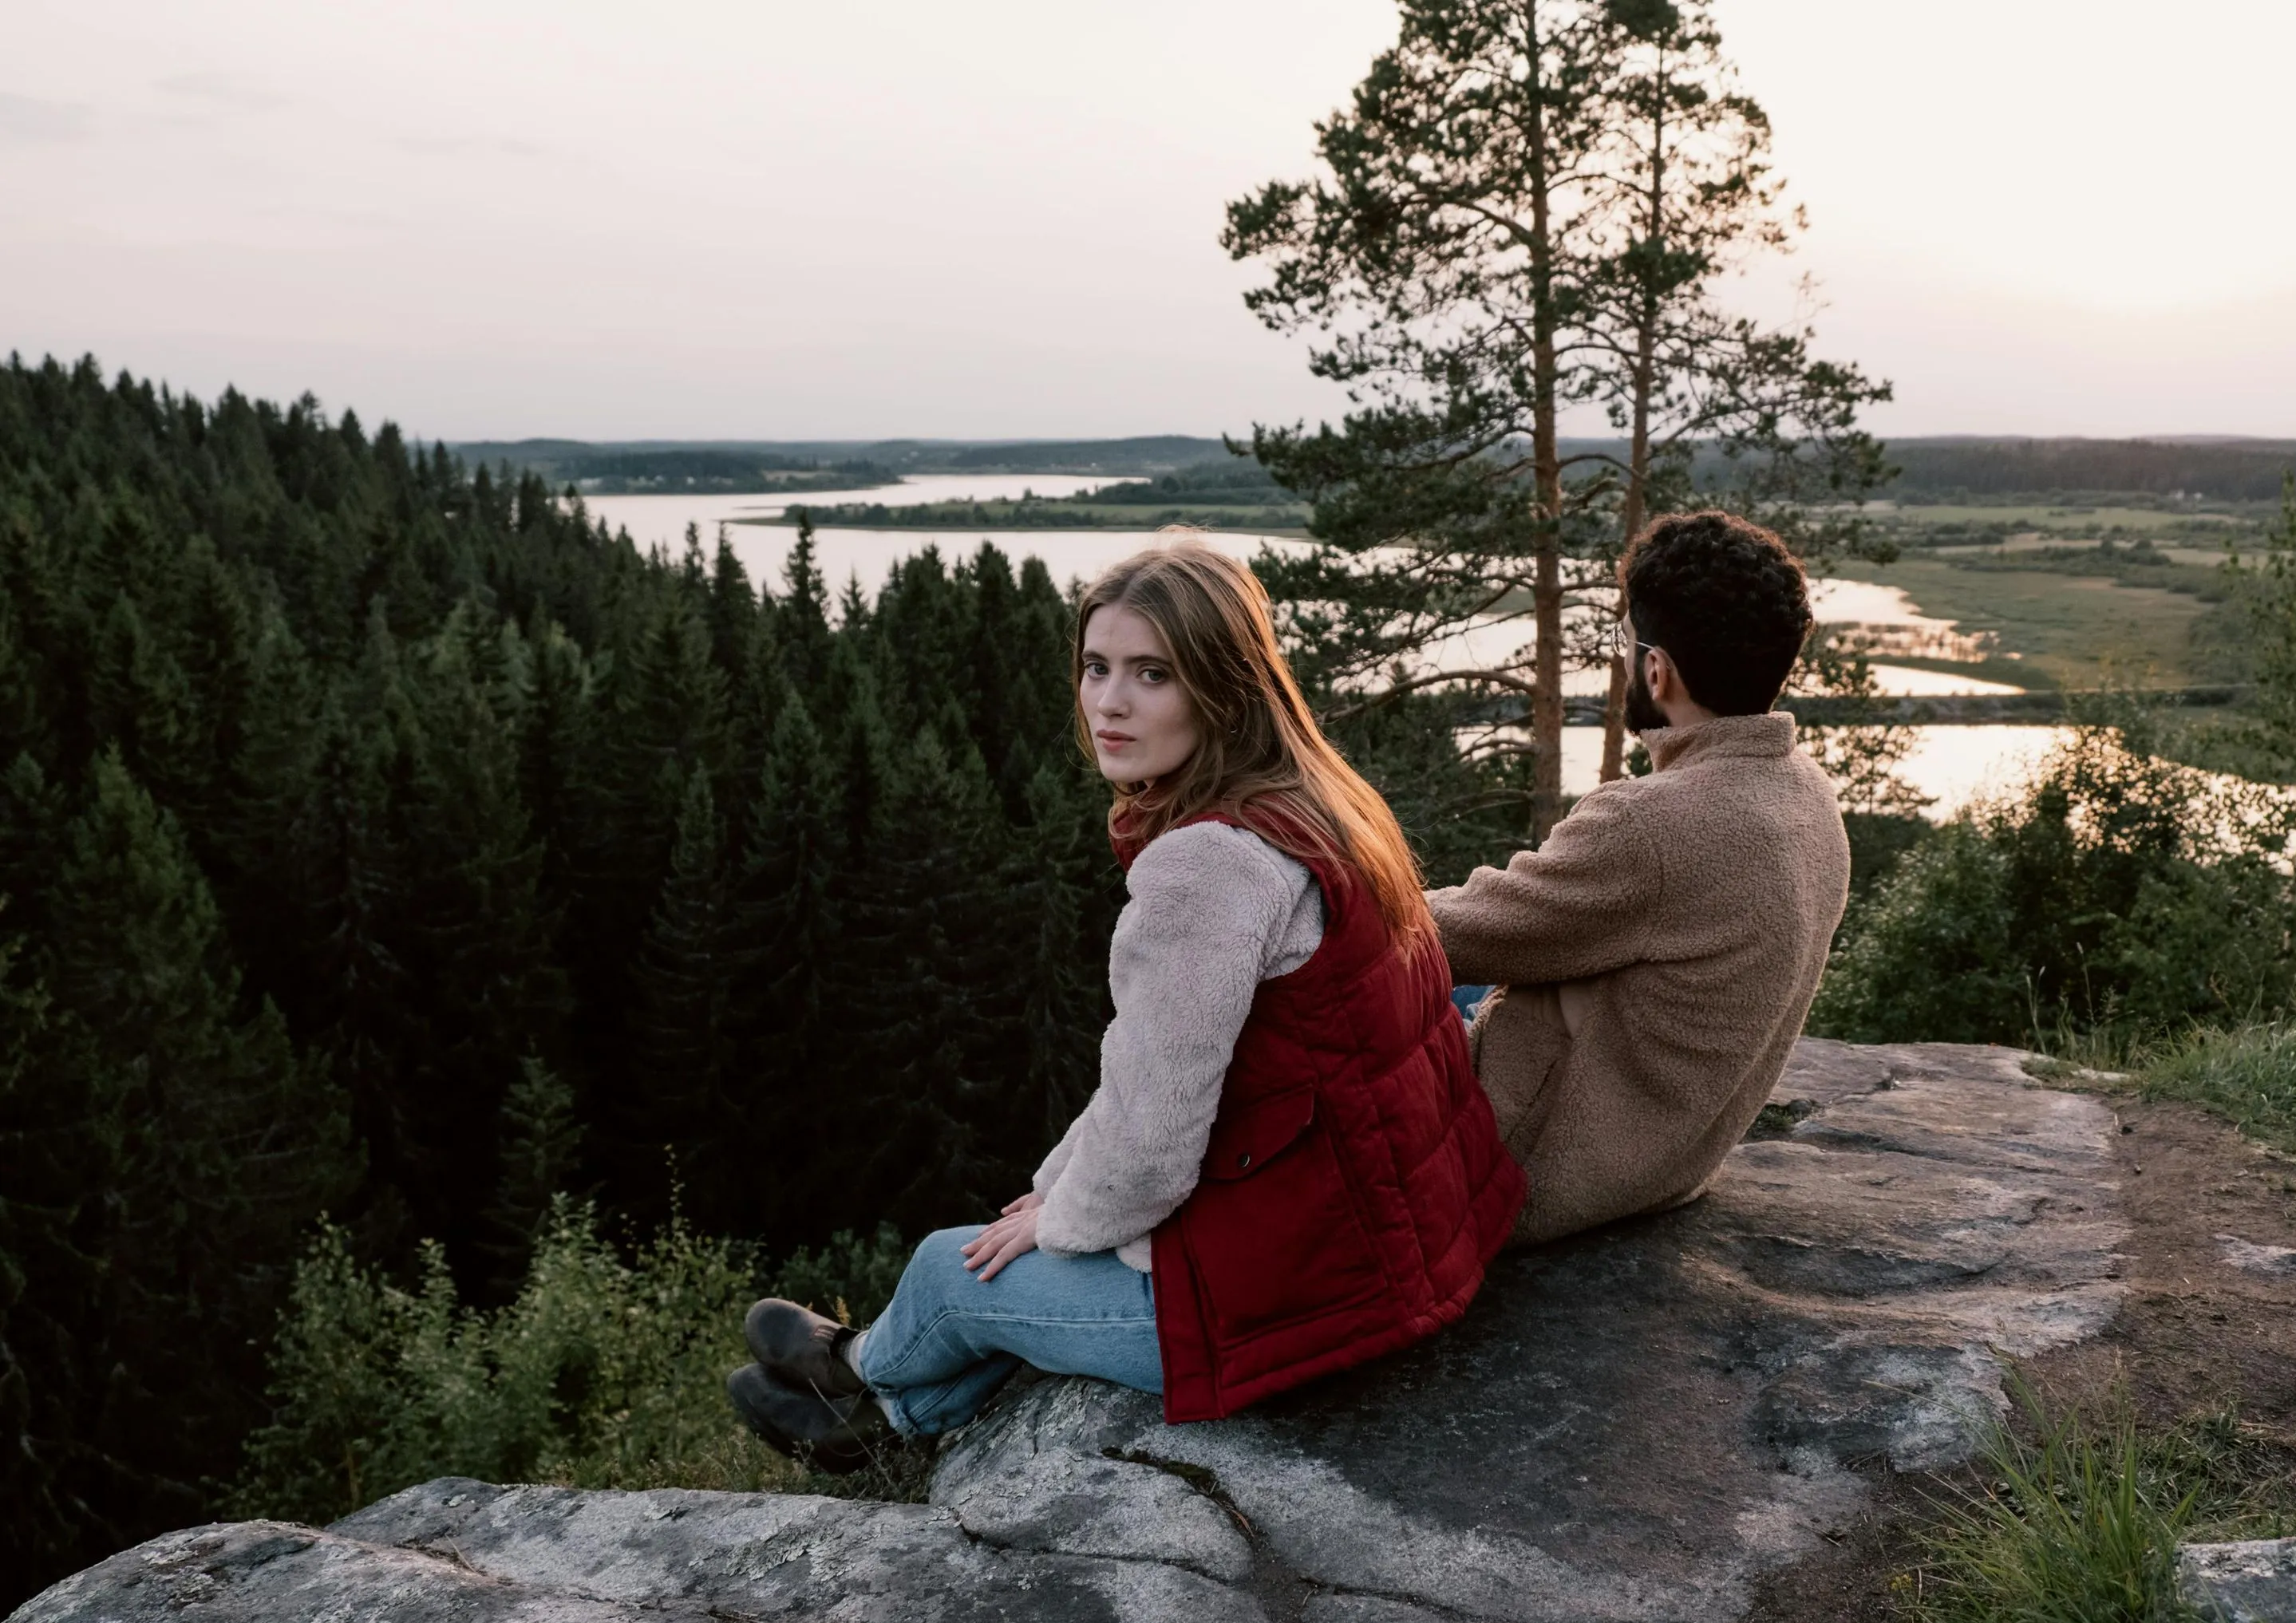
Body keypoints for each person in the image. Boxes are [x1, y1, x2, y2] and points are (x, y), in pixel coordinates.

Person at [729, 534, 1525, 1462]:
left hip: (1301, 1302)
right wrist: (1051, 1196)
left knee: (951, 1268)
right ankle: (892, 1433)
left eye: (1152, 674)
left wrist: (1058, 1221)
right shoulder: (1326, 804)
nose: (1109, 702)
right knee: (1016, 1241)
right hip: (1393, 1247)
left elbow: (1149, 1147)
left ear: (1222, 690)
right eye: (1096, 667)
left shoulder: (1206, 866)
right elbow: (1165, 1083)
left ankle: (858, 1368)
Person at [1428, 510, 1851, 1246]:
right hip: (1668, 1156)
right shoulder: (1805, 790)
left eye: (1625, 642)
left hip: (1532, 1165)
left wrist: (1305, 886)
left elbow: (1440, 932)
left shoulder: (1653, 825)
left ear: (1657, 671)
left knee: (1327, 966)